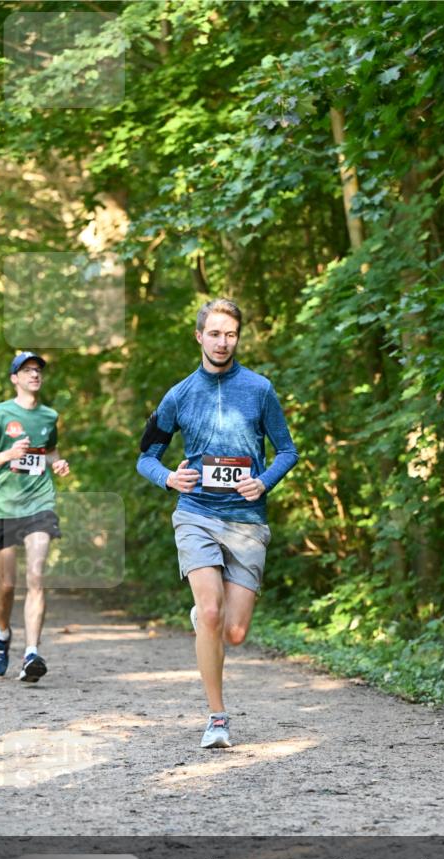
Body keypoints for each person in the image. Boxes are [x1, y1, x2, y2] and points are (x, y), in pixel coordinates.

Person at [137, 298, 298, 749]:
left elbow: (288, 451)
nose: (222, 342)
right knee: (211, 613)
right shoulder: (179, 394)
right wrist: (169, 477)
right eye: (214, 333)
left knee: (235, 632)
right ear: (199, 336)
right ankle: (217, 718)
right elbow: (145, 456)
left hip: (247, 521)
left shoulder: (260, 389)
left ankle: (207, 621)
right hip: (196, 515)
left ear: (238, 338)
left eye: (230, 334)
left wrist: (263, 483)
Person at [0, 351, 70, 682]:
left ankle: (32, 654)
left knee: (36, 577)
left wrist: (57, 462)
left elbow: (50, 450)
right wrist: (9, 454)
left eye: (38, 370)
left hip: (39, 503)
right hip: (4, 509)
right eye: (26, 370)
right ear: (14, 378)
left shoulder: (48, 415)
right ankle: (2, 633)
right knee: (7, 584)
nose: (34, 375)